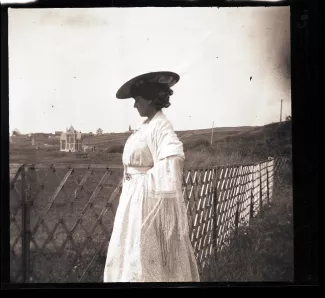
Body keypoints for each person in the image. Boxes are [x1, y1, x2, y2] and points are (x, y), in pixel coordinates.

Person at [103, 71, 200, 282]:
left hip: (145, 203)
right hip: (132, 200)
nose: (135, 105)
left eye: (137, 100)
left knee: (144, 256)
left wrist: (141, 185)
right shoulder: (146, 126)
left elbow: (172, 160)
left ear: (149, 100)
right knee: (128, 251)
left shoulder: (161, 127)